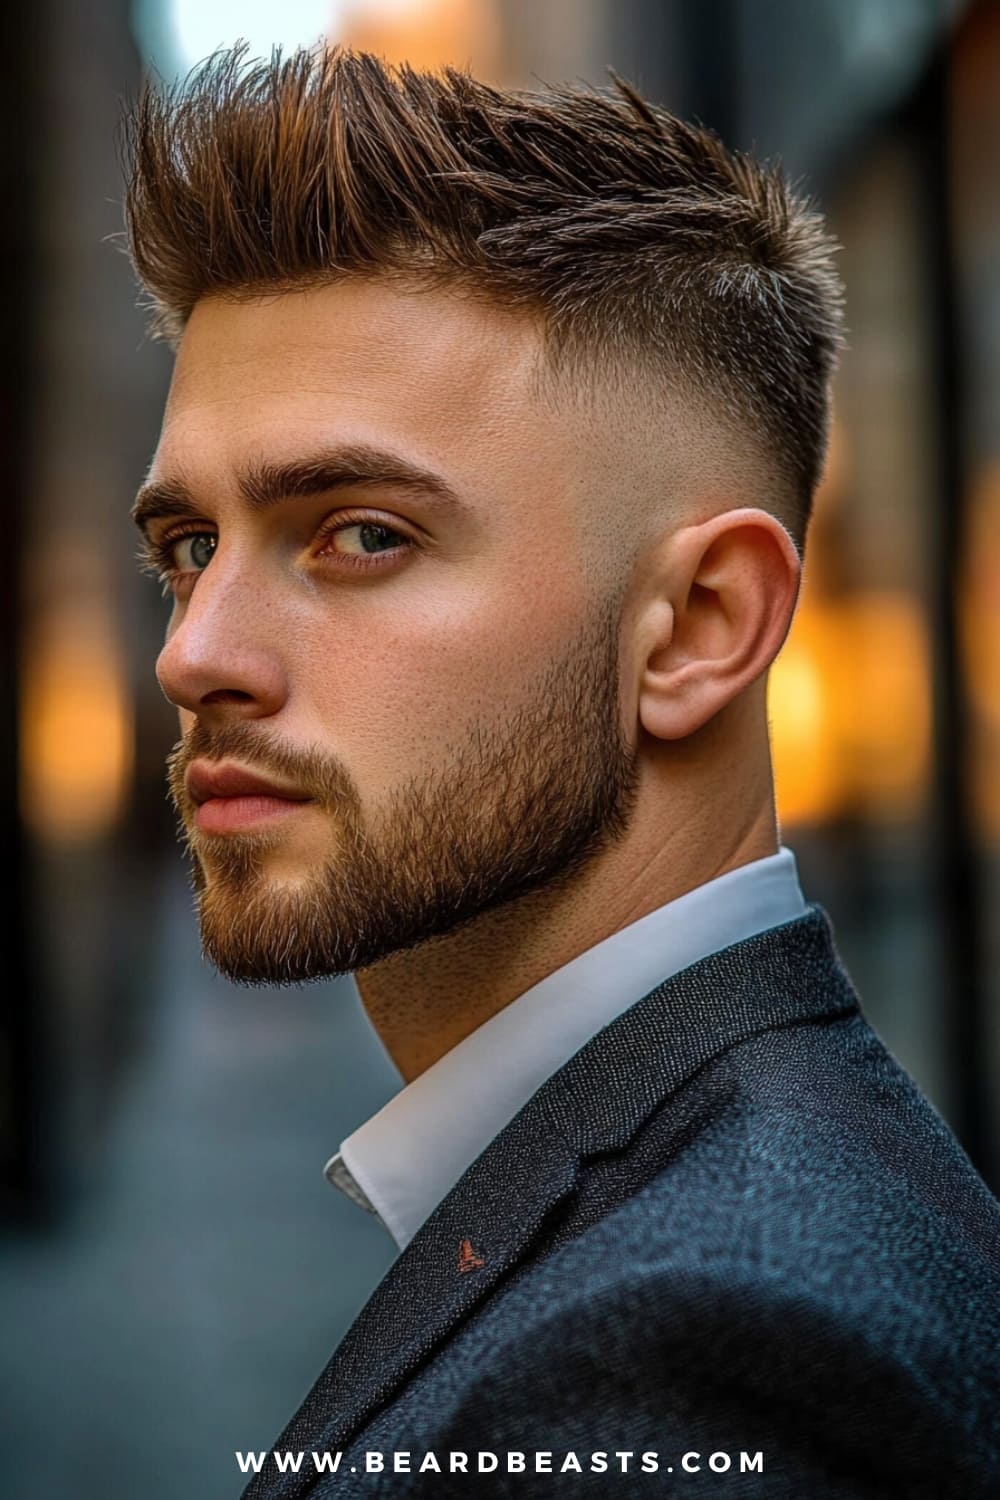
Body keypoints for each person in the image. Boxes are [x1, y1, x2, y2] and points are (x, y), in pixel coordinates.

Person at [120, 43, 999, 1498]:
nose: (196, 653)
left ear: (699, 631)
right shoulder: (714, 1185)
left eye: (362, 534)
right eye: (190, 547)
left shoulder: (705, 1360)